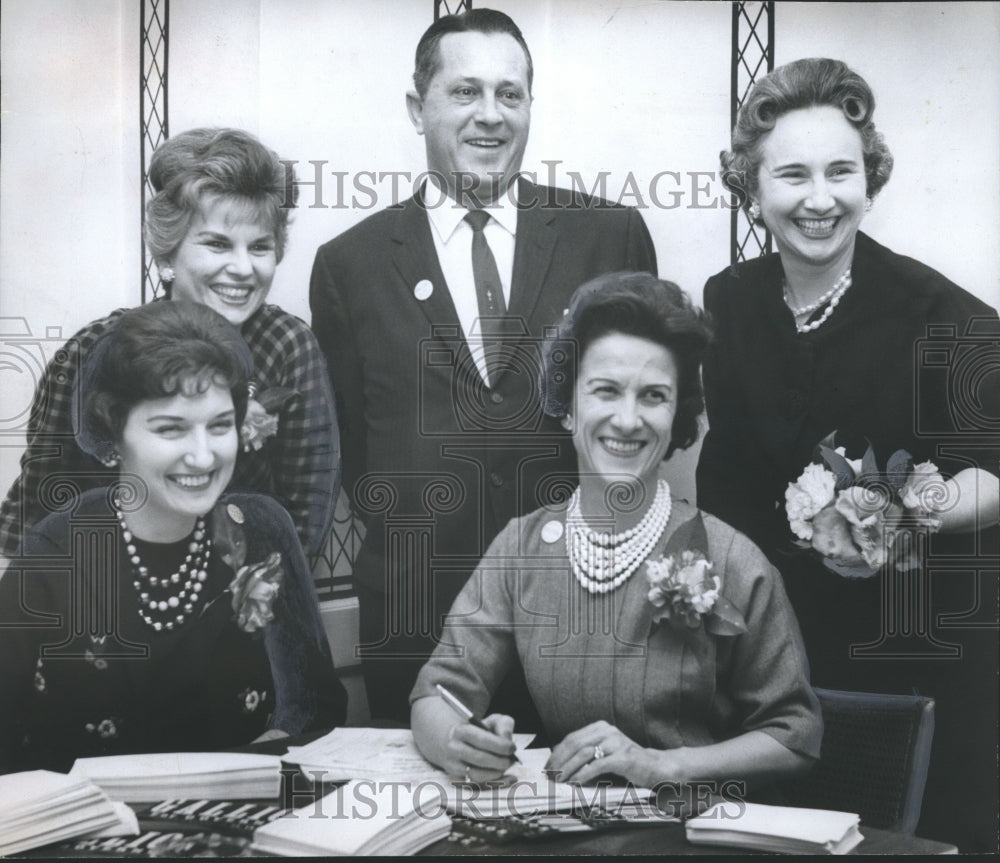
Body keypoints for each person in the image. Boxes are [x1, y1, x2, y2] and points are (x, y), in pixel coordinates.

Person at [310, 8, 657, 724]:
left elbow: (655, 414)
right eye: (465, 92)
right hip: (417, 615)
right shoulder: (350, 264)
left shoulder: (610, 237)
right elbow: (355, 451)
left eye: (510, 94)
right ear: (418, 107)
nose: (490, 115)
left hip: (587, 608)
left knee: (589, 789)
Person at [695, 58, 999, 851]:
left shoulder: (944, 315)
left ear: (871, 178)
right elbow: (727, 479)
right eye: (792, 174)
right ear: (751, 185)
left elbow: (992, 471)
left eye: (841, 171)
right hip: (778, 661)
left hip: (917, 661)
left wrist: (903, 514)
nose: (820, 198)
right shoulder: (729, 301)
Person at [410, 272, 821, 803]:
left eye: (653, 396)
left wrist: (661, 766)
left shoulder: (732, 559)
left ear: (677, 417)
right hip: (565, 828)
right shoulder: (521, 548)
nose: (627, 420)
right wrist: (459, 744)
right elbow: (436, 693)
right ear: (567, 407)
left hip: (697, 830)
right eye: (605, 391)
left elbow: (796, 736)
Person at [0, 301, 347, 773]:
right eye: (171, 429)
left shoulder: (263, 530)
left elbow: (317, 708)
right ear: (115, 431)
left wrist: (257, 766)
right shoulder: (54, 553)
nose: (202, 457)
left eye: (219, 426)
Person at [0, 128, 339, 558]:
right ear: (166, 255)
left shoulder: (287, 346)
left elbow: (304, 522)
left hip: (238, 587)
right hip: (100, 584)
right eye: (217, 244)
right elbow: (35, 511)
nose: (242, 268)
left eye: (259, 247)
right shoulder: (93, 349)